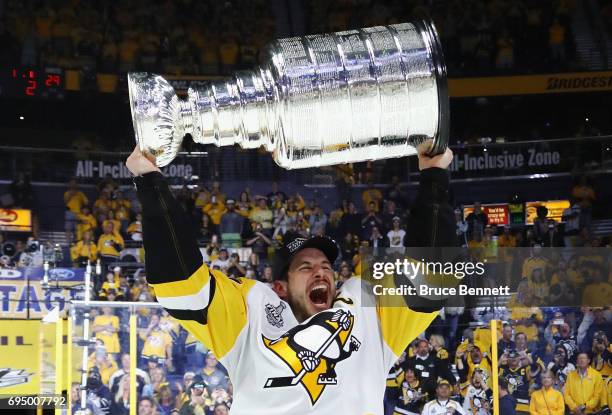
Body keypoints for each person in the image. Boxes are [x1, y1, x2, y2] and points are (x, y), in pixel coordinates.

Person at [126, 146, 455, 413]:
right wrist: (150, 180)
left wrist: (435, 177)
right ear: (280, 287)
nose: (321, 271)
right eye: (305, 266)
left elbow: (432, 280)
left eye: (326, 265)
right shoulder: (251, 315)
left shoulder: (366, 313)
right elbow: (181, 285)